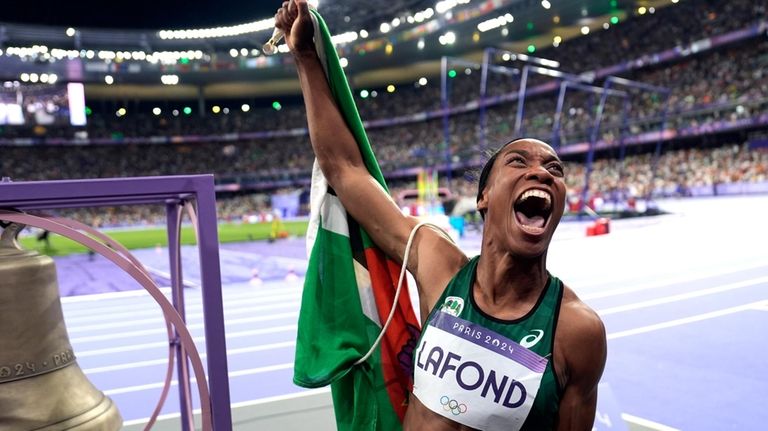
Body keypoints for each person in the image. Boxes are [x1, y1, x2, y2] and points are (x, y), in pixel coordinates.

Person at [275, 1, 607, 429]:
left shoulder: (576, 332)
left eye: (555, 169)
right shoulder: (437, 265)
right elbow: (346, 171)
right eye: (519, 162)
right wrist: (304, 57)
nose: (541, 171)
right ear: (484, 197)